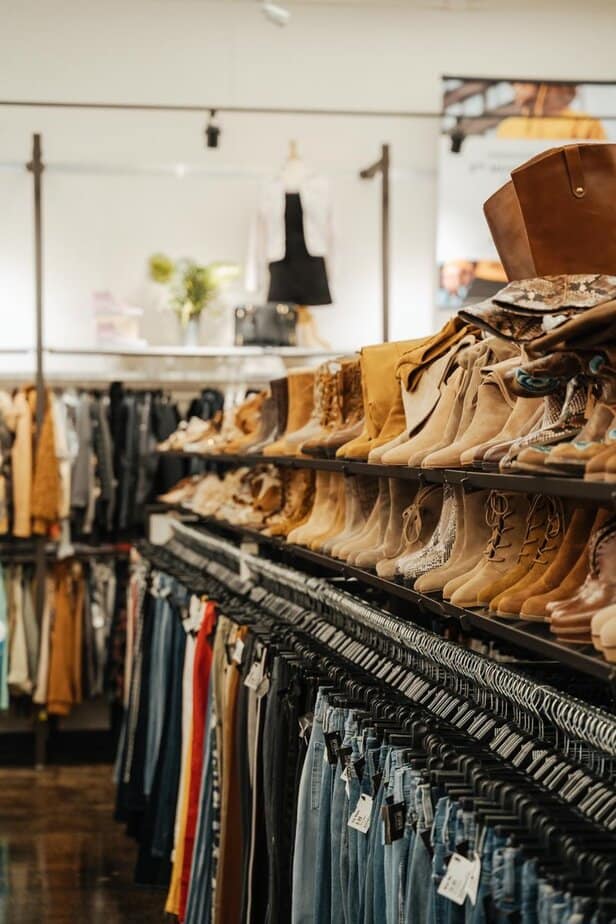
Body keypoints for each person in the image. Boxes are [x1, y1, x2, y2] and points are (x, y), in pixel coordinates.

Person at [497, 81, 606, 140]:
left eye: (522, 82)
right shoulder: (508, 126)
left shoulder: (583, 123)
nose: (516, 88)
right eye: (513, 83)